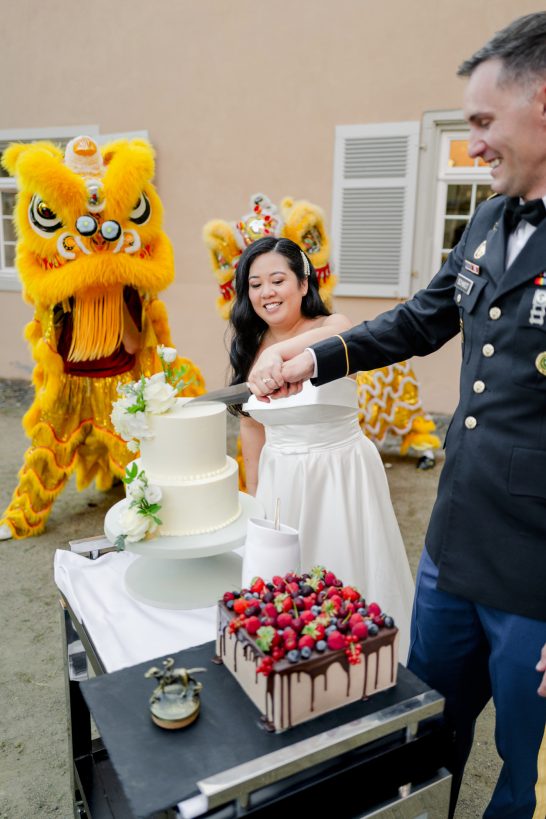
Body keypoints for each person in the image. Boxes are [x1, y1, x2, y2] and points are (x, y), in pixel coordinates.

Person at [248, 14, 546, 819]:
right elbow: (419, 320)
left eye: (483, 123)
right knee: (420, 735)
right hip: (454, 544)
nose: (473, 145)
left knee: (526, 772)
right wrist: (316, 356)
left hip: (536, 580)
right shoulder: (488, 221)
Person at [229, 236, 415, 659]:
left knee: (344, 569)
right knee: (286, 580)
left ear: (303, 283)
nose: (266, 293)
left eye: (277, 280)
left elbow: (343, 333)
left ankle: (360, 660)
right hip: (283, 476)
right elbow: (251, 427)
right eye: (255, 284)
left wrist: (278, 352)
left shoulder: (331, 326)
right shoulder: (247, 346)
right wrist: (258, 496)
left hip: (340, 471)